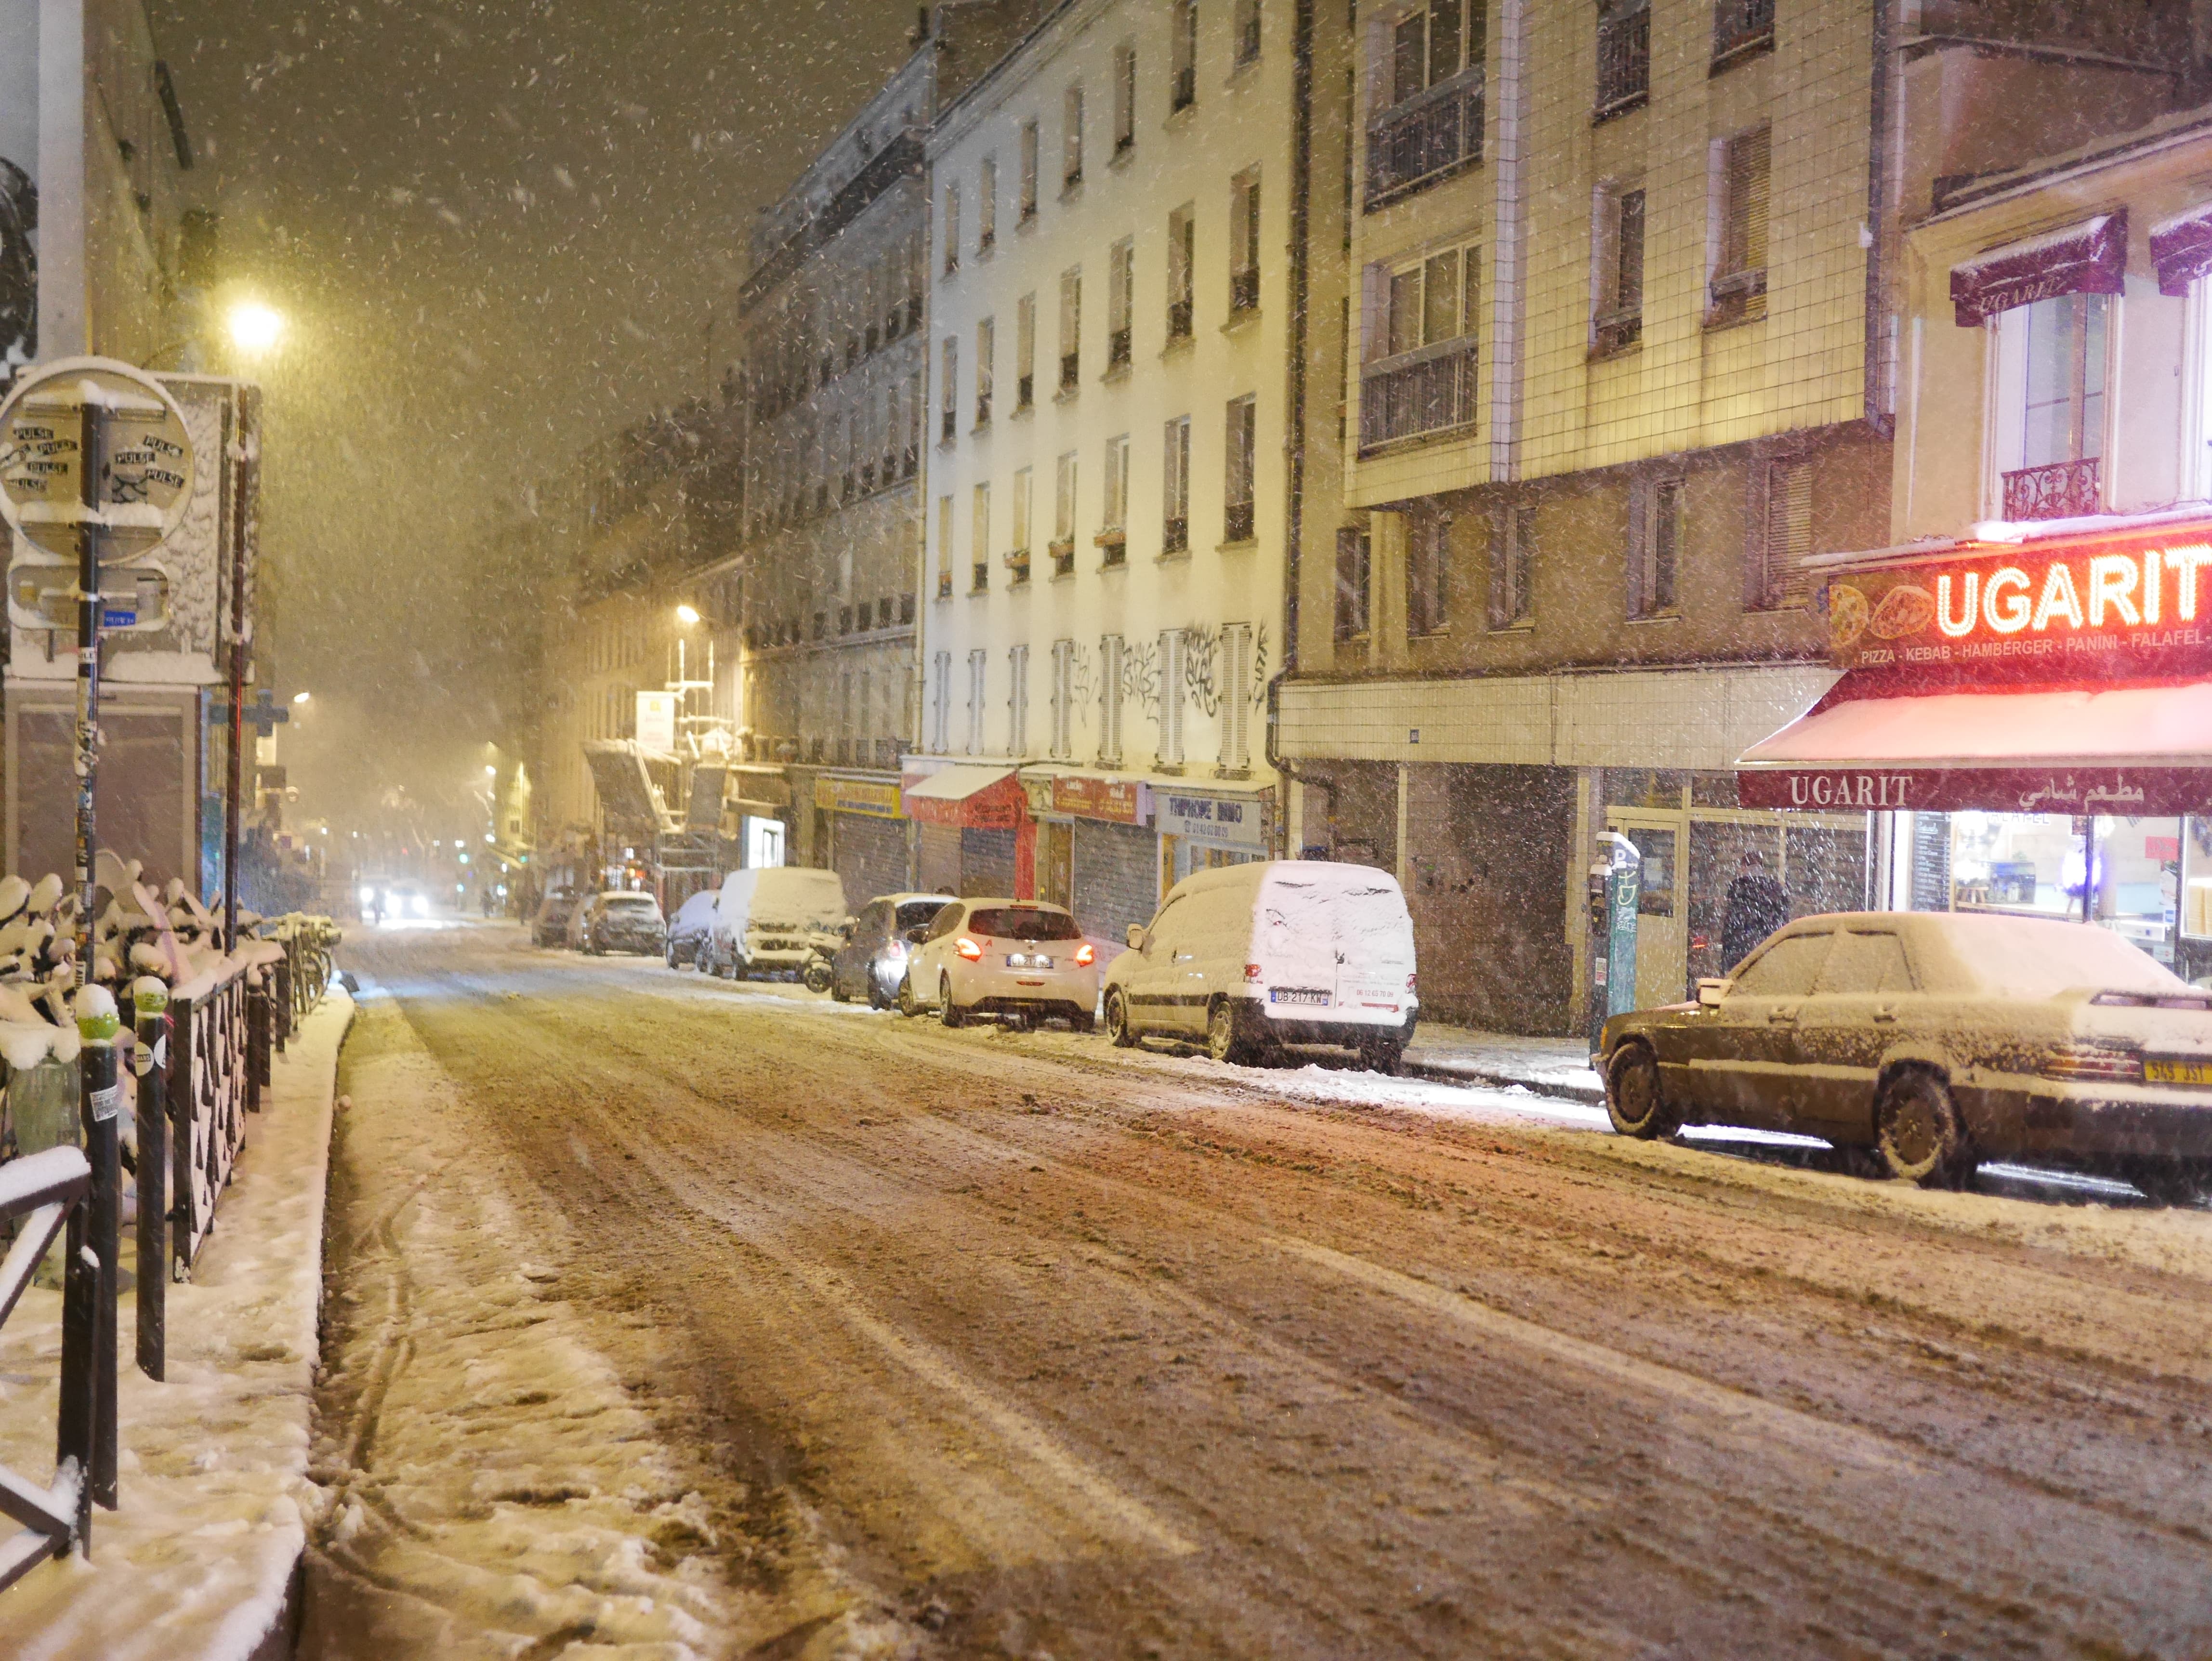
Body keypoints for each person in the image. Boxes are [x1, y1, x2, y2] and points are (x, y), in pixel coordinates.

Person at [1721, 850, 1791, 973]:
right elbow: (1783, 921)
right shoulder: (1775, 889)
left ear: (1744, 867)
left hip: (1740, 950)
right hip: (1767, 950)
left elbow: (1732, 925)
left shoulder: (1738, 889)